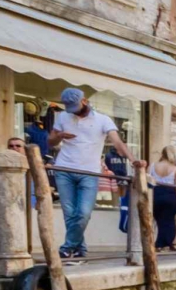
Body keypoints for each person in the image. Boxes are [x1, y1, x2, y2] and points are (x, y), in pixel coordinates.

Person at [47, 86, 137, 259]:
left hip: (90, 172)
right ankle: (79, 248)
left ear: (84, 101)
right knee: (69, 213)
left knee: (83, 213)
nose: (74, 112)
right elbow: (50, 142)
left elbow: (117, 143)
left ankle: (68, 246)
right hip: (63, 169)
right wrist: (59, 136)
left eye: (76, 107)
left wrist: (133, 161)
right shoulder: (63, 116)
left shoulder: (103, 120)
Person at [152, 146, 176, 250]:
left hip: (156, 193)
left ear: (162, 154)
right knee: (169, 220)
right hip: (170, 194)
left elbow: (147, 181)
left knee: (159, 220)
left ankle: (159, 243)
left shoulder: (152, 166)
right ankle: (161, 243)